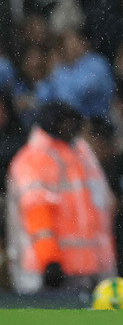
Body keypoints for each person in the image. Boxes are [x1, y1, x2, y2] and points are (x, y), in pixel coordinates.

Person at [5, 102, 116, 293]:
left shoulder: (80, 153)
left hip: (88, 270)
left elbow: (102, 204)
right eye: (68, 122)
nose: (74, 127)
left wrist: (104, 262)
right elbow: (37, 213)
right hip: (48, 273)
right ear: (53, 123)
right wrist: (49, 261)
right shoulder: (35, 158)